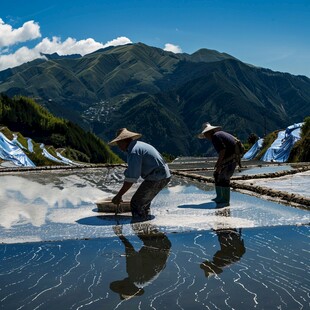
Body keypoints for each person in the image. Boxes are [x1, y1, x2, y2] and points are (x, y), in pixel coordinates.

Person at [108, 128, 171, 220]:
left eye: (118, 144)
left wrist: (119, 195)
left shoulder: (134, 151)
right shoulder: (138, 146)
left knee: (136, 203)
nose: (119, 147)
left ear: (123, 141)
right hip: (162, 175)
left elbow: (132, 178)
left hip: (157, 176)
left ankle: (139, 225)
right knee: (143, 202)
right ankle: (146, 221)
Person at [110, 223, 171, 300]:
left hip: (163, 245)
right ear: (126, 286)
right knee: (137, 223)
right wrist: (120, 235)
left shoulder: (143, 282)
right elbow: (130, 250)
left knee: (139, 223)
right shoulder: (135, 278)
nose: (122, 280)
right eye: (122, 285)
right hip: (155, 243)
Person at [198, 122, 238, 206]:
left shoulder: (215, 137)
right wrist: (218, 165)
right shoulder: (218, 135)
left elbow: (222, 151)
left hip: (231, 158)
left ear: (208, 132)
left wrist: (219, 164)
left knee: (224, 178)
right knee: (218, 176)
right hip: (231, 157)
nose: (205, 137)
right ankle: (220, 197)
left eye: (205, 134)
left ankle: (225, 199)